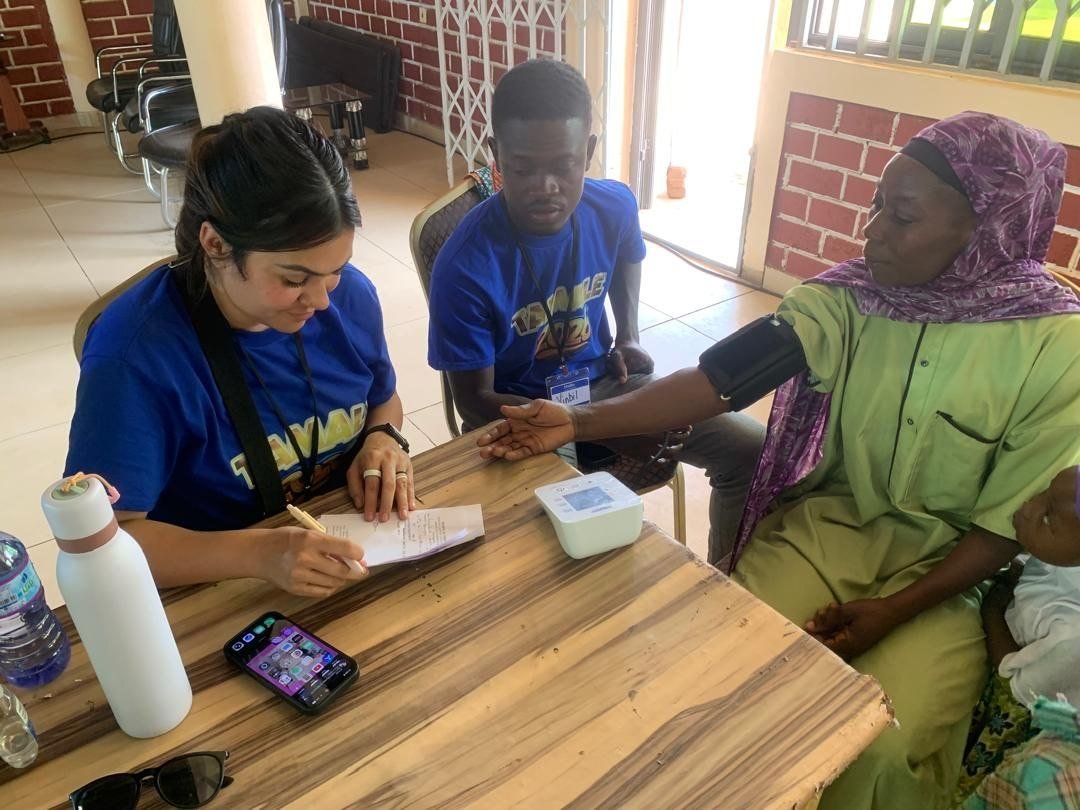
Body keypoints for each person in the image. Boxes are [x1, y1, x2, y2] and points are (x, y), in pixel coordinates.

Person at [476, 111, 1080, 808]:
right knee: (723, 679)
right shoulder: (851, 300)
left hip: (948, 577)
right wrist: (580, 419)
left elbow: (1008, 522)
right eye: (877, 203)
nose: (873, 229)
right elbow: (717, 380)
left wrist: (895, 609)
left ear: (984, 230)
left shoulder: (1055, 348)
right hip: (827, 531)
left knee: (879, 746)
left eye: (902, 216)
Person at [65, 106, 415, 599]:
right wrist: (259, 554)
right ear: (215, 244)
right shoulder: (135, 356)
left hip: (344, 560)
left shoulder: (349, 296)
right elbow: (102, 538)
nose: (321, 300)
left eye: (335, 270)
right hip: (216, 589)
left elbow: (383, 397)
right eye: (294, 279)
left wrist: (384, 437)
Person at [426, 59, 765, 563]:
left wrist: (627, 334)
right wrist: (601, 426)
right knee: (573, 545)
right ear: (496, 155)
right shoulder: (464, 265)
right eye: (522, 168)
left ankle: (730, 580)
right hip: (519, 417)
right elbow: (474, 401)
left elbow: (629, 254)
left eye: (563, 166)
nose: (545, 186)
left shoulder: (615, 205)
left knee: (751, 449)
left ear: (588, 152)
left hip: (605, 387)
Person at [955, 466, 1080, 804]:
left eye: (1048, 517)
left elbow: (1013, 683)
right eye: (1044, 492)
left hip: (1020, 704)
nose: (1027, 507)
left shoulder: (1072, 638)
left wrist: (992, 608)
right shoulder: (1061, 552)